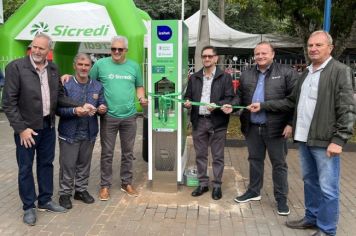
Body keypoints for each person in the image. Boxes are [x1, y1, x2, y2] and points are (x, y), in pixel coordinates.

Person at [249, 31, 355, 236]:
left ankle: (327, 229)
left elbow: (347, 108)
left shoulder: (340, 71)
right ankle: (311, 218)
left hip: (326, 141)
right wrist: (262, 105)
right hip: (305, 138)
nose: (313, 49)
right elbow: (291, 102)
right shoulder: (306, 73)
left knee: (328, 188)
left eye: (319, 45)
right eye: (310, 45)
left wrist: (339, 139)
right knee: (310, 182)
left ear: (330, 48)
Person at [1, 33, 94, 226]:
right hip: (27, 130)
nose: (36, 50)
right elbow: (9, 103)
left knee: (46, 164)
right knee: (25, 168)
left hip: (48, 126)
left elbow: (59, 97)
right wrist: (21, 129)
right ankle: (28, 207)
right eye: (34, 46)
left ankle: (45, 200)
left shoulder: (53, 69)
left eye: (41, 48)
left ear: (48, 51)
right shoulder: (16, 68)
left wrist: (81, 104)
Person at [223, 41, 297, 215]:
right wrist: (231, 106)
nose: (260, 56)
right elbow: (239, 97)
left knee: (279, 164)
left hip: (277, 128)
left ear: (273, 54)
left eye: (264, 53)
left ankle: (281, 198)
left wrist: (290, 123)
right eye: (257, 54)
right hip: (252, 127)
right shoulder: (246, 74)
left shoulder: (287, 73)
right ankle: (254, 191)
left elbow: (293, 101)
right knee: (255, 161)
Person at [90, 36, 147, 200]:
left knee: (128, 153)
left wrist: (142, 98)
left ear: (125, 51)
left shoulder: (134, 66)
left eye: (120, 49)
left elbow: (139, 87)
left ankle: (126, 183)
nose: (116, 52)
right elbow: (90, 83)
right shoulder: (100, 65)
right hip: (109, 116)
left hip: (129, 116)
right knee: (107, 153)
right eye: (113, 48)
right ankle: (105, 186)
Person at [184, 45, 234, 200]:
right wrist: (187, 103)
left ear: (216, 58)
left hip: (217, 122)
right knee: (200, 155)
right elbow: (189, 96)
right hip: (199, 121)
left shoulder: (225, 77)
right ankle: (203, 184)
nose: (206, 59)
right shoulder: (195, 77)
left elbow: (229, 98)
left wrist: (217, 105)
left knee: (217, 155)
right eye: (204, 56)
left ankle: (217, 185)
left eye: (210, 56)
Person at [57, 53, 107, 209]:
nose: (84, 68)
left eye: (87, 65)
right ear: (74, 66)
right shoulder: (65, 84)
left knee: (84, 164)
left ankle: (80, 190)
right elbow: (57, 109)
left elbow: (102, 104)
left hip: (89, 132)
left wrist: (102, 109)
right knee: (68, 165)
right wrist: (74, 112)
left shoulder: (97, 86)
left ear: (90, 67)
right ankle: (65, 193)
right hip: (69, 132)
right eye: (80, 64)